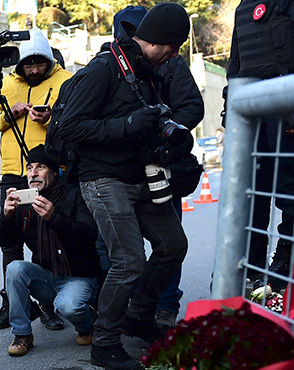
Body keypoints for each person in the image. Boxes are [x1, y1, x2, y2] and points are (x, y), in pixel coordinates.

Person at [55, 2, 191, 370]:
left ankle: (138, 315)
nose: (175, 55)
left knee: (172, 245)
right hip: (102, 178)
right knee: (128, 261)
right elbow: (69, 128)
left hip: (141, 175)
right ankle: (105, 341)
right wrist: (127, 124)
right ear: (158, 41)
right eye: (174, 47)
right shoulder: (103, 70)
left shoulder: (151, 73)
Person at [227, 0, 294, 289]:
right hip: (251, 108)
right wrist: (231, 105)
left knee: (289, 189)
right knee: (251, 191)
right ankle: (250, 266)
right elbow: (236, 61)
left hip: (288, 104)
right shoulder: (246, 5)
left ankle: (288, 260)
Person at [112, 5, 205, 329]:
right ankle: (134, 307)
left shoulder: (173, 63)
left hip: (163, 167)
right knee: (128, 248)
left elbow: (193, 105)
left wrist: (165, 133)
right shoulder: (112, 63)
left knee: (170, 242)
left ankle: (165, 305)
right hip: (125, 173)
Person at [0, 28, 72, 332]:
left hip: (50, 172)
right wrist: (11, 113)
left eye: (40, 65)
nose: (34, 70)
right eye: (28, 65)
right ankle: (12, 303)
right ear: (19, 64)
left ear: (49, 61)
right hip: (14, 172)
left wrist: (52, 117)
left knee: (44, 238)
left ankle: (48, 307)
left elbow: (75, 122)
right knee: (10, 239)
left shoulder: (64, 81)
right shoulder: (7, 84)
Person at [0, 145, 102, 356]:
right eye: (29, 167)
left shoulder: (73, 195)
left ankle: (88, 322)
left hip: (78, 275)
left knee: (68, 306)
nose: (33, 173)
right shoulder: (26, 201)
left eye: (40, 167)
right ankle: (23, 334)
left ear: (54, 172)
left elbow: (88, 235)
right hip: (47, 275)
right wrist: (6, 216)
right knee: (15, 268)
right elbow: (5, 241)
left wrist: (55, 217)